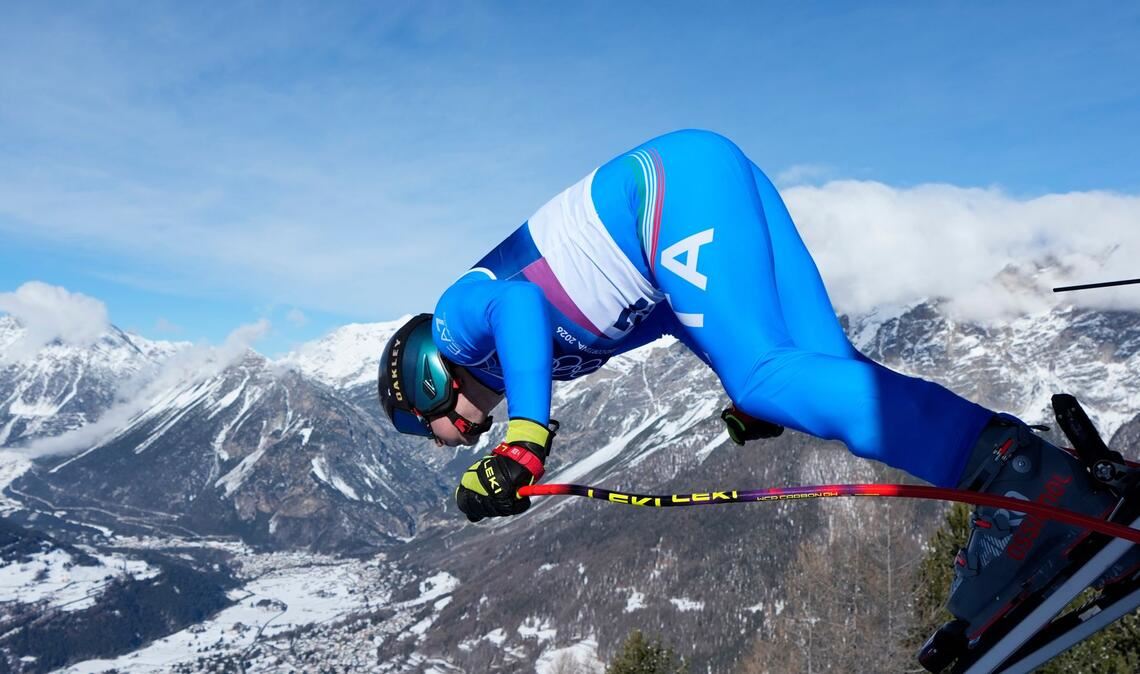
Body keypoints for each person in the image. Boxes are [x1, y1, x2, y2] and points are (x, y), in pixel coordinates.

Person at [376, 129, 1120, 643]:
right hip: (692, 179)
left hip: (670, 188)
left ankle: (1026, 488)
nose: (457, 438)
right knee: (820, 376)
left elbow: (519, 303)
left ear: (425, 389)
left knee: (773, 376)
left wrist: (524, 440)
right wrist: (733, 380)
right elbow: (665, 310)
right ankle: (1026, 481)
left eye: (436, 430)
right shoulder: (530, 356)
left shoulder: (455, 324)